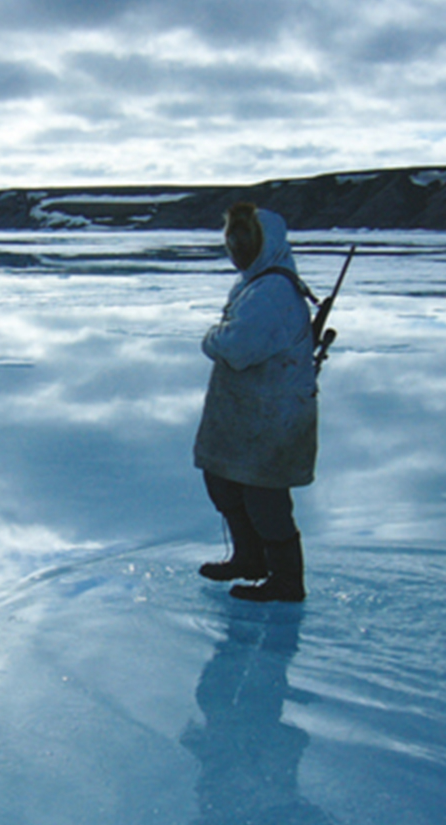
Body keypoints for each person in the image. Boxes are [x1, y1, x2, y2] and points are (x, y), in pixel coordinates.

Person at [193, 202, 317, 602]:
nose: (237, 249)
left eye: (244, 240)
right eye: (233, 241)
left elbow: (237, 347)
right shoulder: (255, 284)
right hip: (249, 411)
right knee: (224, 480)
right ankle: (249, 558)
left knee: (265, 496)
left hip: (272, 415)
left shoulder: (272, 291)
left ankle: (287, 580)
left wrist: (211, 337)